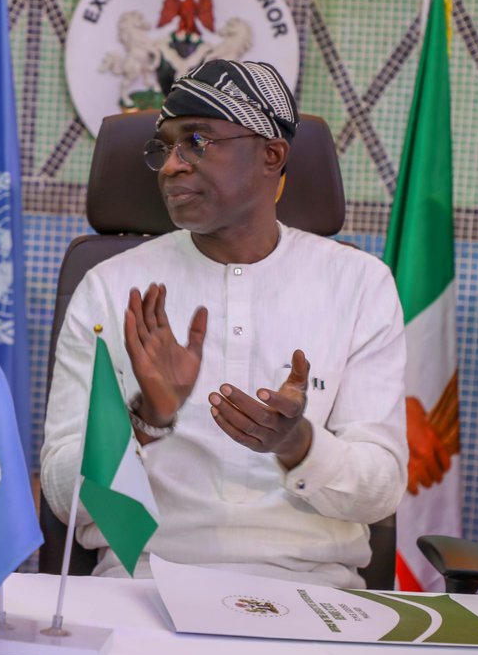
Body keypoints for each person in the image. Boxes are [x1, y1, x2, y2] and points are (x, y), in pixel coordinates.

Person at [41, 60, 407, 588]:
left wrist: (297, 444)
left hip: (311, 590)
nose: (171, 166)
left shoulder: (359, 285)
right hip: (143, 583)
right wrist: (146, 420)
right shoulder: (108, 287)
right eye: (164, 148)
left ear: (271, 155)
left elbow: (382, 490)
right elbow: (61, 493)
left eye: (197, 141)